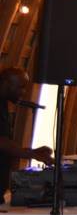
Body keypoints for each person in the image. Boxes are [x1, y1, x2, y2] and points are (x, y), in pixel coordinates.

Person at [0, 68, 53, 201]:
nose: (23, 92)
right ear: (6, 83)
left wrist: (33, 151)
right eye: (20, 87)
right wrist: (33, 154)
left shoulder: (3, 104)